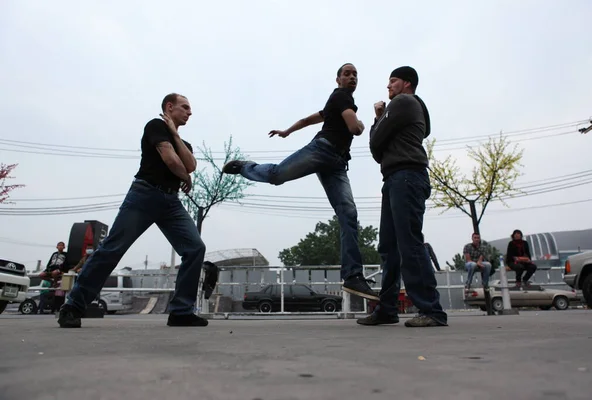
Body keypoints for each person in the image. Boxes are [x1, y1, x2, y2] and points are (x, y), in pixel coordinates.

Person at [221, 63, 377, 301]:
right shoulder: (341, 96)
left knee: (348, 214)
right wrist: (362, 124)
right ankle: (244, 167)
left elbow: (307, 120)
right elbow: (355, 128)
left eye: (355, 74)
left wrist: (287, 131)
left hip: (336, 164)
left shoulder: (334, 103)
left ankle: (353, 276)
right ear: (338, 80)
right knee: (276, 176)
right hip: (322, 151)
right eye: (347, 74)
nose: (352, 77)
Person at [58, 93, 208, 328]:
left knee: (195, 248)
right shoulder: (155, 125)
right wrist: (185, 175)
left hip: (171, 202)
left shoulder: (182, 142)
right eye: (185, 107)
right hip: (144, 195)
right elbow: (171, 161)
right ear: (169, 107)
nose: (190, 112)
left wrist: (177, 137)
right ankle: (73, 306)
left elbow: (189, 165)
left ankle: (181, 311)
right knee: (112, 249)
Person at [357, 66, 447, 327]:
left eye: (393, 81)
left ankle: (431, 310)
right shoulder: (402, 109)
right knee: (389, 247)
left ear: (407, 83)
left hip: (406, 176)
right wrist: (380, 125)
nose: (388, 87)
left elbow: (375, 144)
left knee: (409, 243)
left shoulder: (404, 102)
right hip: (395, 178)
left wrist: (378, 117)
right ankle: (387, 310)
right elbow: (378, 153)